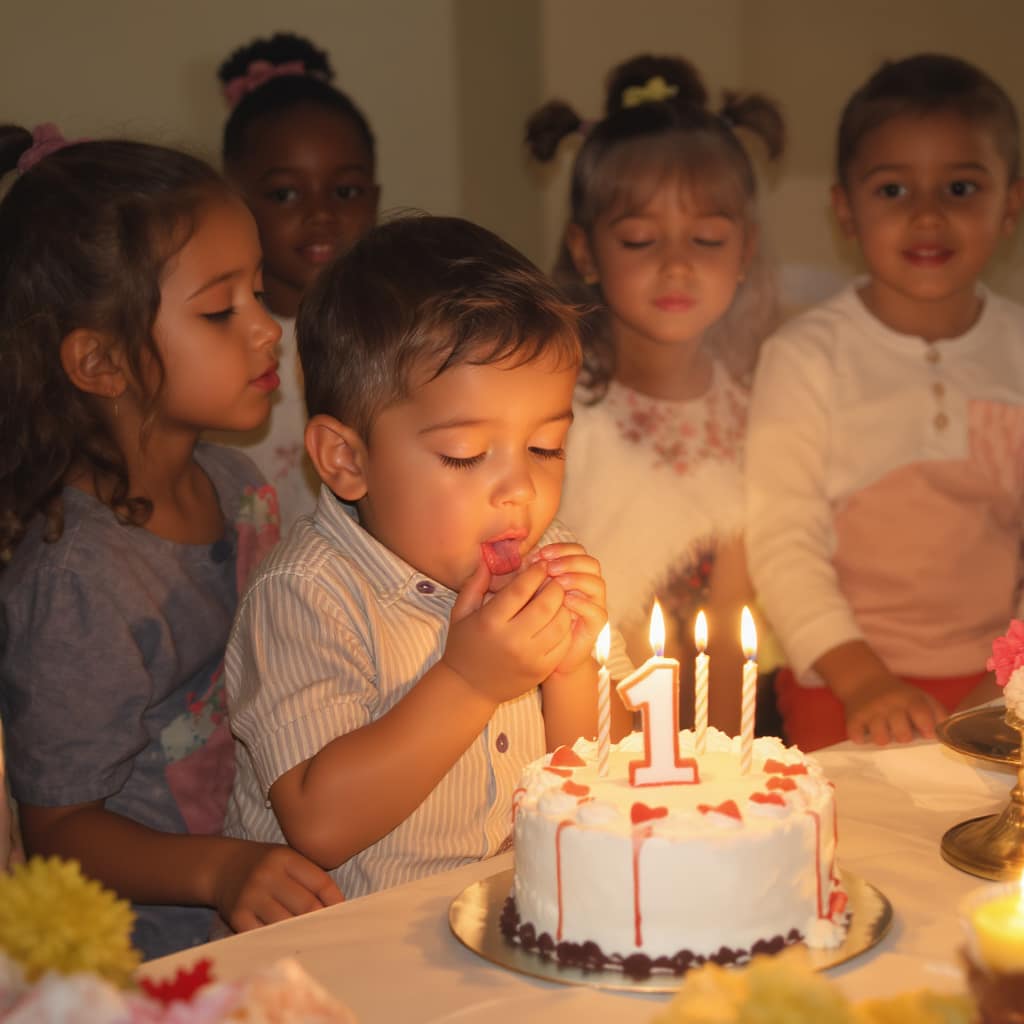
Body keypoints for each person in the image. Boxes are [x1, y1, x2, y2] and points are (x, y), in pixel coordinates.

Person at [0, 127, 343, 959]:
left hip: (271, 913)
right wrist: (220, 872)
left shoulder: (237, 487)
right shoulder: (78, 579)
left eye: (260, 292)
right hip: (160, 961)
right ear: (101, 362)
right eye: (222, 309)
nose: (267, 329)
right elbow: (60, 828)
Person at [225, 215, 632, 898]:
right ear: (347, 460)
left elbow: (605, 784)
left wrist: (570, 670)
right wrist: (471, 682)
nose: (522, 490)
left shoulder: (552, 556)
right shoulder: (307, 594)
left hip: (513, 919)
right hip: (352, 958)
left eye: (545, 447)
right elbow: (319, 824)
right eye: (466, 455)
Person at [745, 54, 1024, 751]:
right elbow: (782, 541)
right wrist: (861, 677)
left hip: (1001, 679)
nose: (928, 215)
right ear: (845, 210)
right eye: (894, 190)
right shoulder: (806, 357)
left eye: (961, 187)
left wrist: (1012, 673)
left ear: (1011, 206)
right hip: (843, 681)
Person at [526, 54, 785, 734]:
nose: (676, 263)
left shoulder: (754, 405)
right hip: (581, 738)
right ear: (585, 252)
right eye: (640, 239)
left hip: (707, 749)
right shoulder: (554, 410)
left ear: (745, 250)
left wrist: (723, 759)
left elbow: (731, 618)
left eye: (706, 238)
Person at [214, 31, 380, 531]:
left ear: (374, 199)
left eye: (345, 190)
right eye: (285, 194)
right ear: (235, 201)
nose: (321, 213)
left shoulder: (398, 332)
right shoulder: (219, 343)